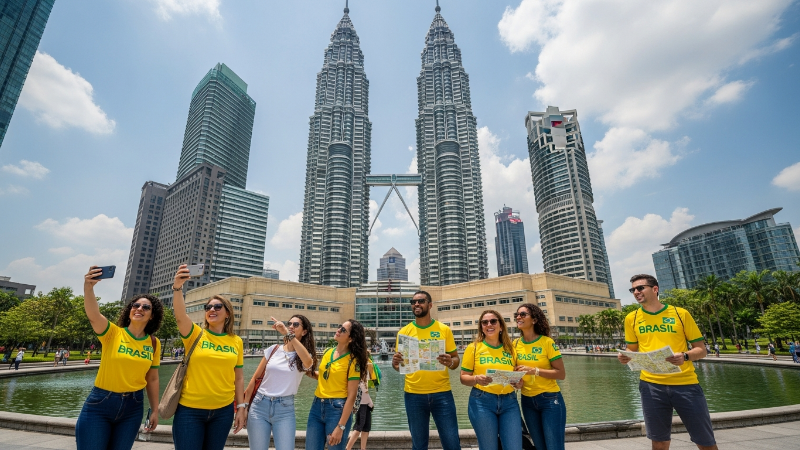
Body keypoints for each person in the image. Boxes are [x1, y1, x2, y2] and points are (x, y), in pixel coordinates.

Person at [618, 274, 717, 450]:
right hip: (651, 386)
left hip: (686, 384)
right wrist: (625, 356)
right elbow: (632, 349)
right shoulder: (631, 318)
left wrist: (685, 356)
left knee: (705, 442)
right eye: (632, 289)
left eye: (640, 288)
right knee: (659, 442)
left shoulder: (680, 314)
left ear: (655, 289)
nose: (636, 292)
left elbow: (701, 350)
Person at [76, 266, 162, 450]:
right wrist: (88, 287)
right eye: (136, 305)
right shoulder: (113, 333)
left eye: (146, 307)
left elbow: (152, 378)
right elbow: (93, 315)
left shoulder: (154, 343)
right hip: (101, 403)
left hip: (133, 406)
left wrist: (154, 410)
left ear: (152, 315)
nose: (139, 308)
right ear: (129, 310)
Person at [171, 265, 246, 450]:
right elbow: (180, 316)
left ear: (227, 313)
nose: (212, 309)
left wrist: (241, 407)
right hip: (190, 411)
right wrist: (178, 288)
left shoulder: (236, 341)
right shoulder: (195, 334)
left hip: (223, 412)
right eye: (208, 307)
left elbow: (239, 377)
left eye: (217, 306)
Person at [391, 291, 461, 450]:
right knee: (419, 445)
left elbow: (456, 360)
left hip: (442, 394)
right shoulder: (404, 332)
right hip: (413, 395)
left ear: (430, 305)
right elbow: (399, 366)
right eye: (413, 302)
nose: (416, 304)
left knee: (452, 443)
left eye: (421, 301)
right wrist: (395, 363)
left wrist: (450, 362)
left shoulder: (443, 329)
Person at [244, 315, 316, 450]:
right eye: (290, 324)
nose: (291, 327)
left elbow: (308, 362)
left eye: (296, 325)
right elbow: (255, 378)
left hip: (285, 409)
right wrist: (243, 407)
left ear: (304, 331)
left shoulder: (303, 356)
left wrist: (288, 334)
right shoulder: (273, 349)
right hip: (259, 405)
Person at [460, 310, 523, 450]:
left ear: (501, 326)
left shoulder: (511, 349)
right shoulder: (473, 348)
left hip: (509, 402)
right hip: (482, 402)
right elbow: (463, 378)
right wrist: (476, 378)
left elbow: (517, 377)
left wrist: (518, 384)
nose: (489, 324)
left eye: (493, 321)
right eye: (485, 322)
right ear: (481, 327)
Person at [306, 319, 368, 450]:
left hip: (337, 410)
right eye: (340, 327)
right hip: (316, 406)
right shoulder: (328, 352)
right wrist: (308, 372)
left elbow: (352, 396)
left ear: (351, 338)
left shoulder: (353, 361)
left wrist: (341, 426)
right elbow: (324, 377)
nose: (338, 330)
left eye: (343, 330)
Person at [514, 303, 566, 450]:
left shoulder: (547, 342)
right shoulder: (515, 344)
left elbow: (561, 374)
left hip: (549, 400)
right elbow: (514, 372)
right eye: (517, 315)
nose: (518, 317)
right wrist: (516, 382)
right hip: (527, 401)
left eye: (523, 314)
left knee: (554, 446)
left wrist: (535, 370)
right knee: (539, 447)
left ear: (534, 320)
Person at [345, 353, 377, 450]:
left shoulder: (366, 368)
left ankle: (363, 448)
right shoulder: (357, 368)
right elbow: (363, 389)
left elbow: (368, 386)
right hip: (361, 403)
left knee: (366, 428)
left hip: (366, 403)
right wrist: (370, 402)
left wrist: (369, 402)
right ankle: (347, 448)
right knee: (358, 427)